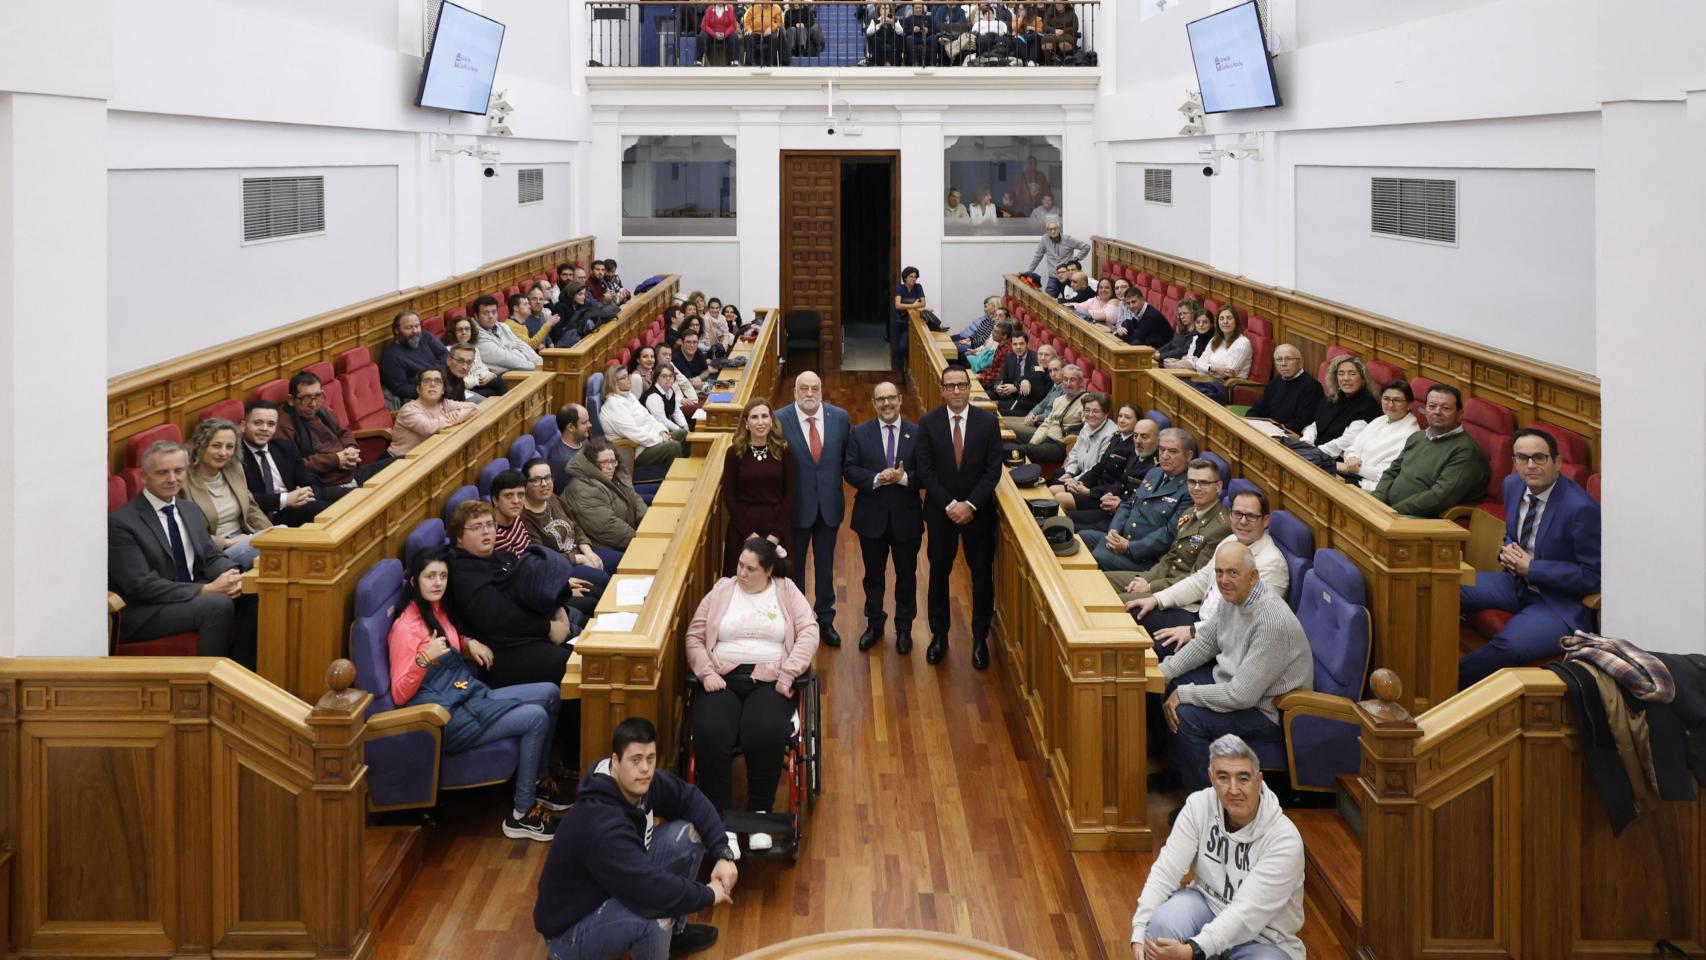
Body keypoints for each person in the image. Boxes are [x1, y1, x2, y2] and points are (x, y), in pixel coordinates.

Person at [387, 546, 568, 841]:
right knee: (535, 717)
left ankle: (538, 780)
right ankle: (522, 813)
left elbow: (449, 636)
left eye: (443, 576)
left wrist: (468, 642)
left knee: (549, 693)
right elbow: (398, 694)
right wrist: (423, 660)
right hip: (446, 716)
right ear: (414, 582)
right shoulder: (405, 629)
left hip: (466, 695)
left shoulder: (438, 610)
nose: (437, 583)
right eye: (430, 576)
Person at [534, 718, 733, 960]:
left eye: (650, 759)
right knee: (657, 913)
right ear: (615, 761)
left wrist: (723, 853)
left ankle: (674, 936)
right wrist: (708, 894)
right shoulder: (601, 824)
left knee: (689, 835)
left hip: (608, 890)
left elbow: (691, 798)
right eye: (635, 760)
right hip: (569, 936)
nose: (645, 769)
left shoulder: (641, 783)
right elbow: (650, 890)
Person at [1129, 734, 1307, 960]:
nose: (1233, 789)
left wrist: (1192, 951)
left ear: (1258, 780)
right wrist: (1139, 930)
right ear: (1211, 778)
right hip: (1206, 904)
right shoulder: (1198, 805)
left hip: (1263, 938)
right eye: (1224, 778)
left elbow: (1245, 914)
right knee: (1158, 930)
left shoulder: (1284, 840)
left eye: (1243, 778)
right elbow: (1166, 870)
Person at [1157, 540, 1314, 792]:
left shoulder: (1271, 622)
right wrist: (1163, 674)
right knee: (1168, 683)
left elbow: (1242, 695)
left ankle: (1208, 806)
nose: (1224, 580)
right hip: (1233, 684)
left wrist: (1185, 694)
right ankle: (1177, 773)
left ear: (1253, 577)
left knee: (1187, 717)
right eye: (1219, 572)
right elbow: (1205, 643)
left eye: (1232, 573)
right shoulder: (1232, 596)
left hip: (1266, 710)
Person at [685, 537, 818, 824]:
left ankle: (760, 810)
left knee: (764, 730)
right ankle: (718, 815)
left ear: (769, 570)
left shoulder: (786, 591)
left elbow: (808, 632)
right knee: (711, 731)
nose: (742, 574)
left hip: (771, 678)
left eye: (750, 569)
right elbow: (694, 636)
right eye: (740, 566)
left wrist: (788, 673)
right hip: (722, 677)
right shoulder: (723, 590)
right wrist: (706, 672)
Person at [1458, 428, 1602, 688]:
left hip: (1556, 601)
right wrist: (1507, 551)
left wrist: (1532, 568)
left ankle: (1447, 687)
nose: (1530, 465)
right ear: (1513, 462)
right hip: (1515, 584)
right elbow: (1513, 535)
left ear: (1557, 462)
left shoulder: (1581, 509)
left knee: (1509, 645)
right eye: (1522, 458)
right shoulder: (1512, 485)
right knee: (1444, 587)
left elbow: (1592, 577)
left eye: (1539, 458)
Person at [108, 441, 250, 662]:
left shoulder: (189, 509)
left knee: (255, 594)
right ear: (144, 477)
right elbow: (140, 586)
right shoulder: (122, 523)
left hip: (190, 591)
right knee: (217, 604)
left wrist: (232, 576)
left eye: (178, 471)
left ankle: (247, 671)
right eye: (162, 472)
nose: (172, 479)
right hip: (144, 610)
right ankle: (210, 683)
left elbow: (210, 556)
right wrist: (204, 590)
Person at [913, 365, 1004, 669]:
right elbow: (925, 470)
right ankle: (939, 635)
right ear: (941, 389)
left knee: (981, 577)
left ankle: (980, 638)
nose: (955, 391)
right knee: (939, 574)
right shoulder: (928, 422)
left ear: (969, 388)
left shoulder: (988, 423)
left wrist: (971, 505)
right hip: (941, 514)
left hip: (978, 515)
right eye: (949, 386)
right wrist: (951, 504)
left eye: (961, 386)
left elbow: (993, 470)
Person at [1129, 489, 1291, 643]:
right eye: (1237, 514)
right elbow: (1200, 581)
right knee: (1136, 614)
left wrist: (1193, 632)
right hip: (1199, 618)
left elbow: (1245, 621)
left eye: (1250, 516)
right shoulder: (1230, 541)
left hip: (1221, 641)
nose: (1242, 521)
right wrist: (1157, 599)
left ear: (1265, 520)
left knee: (1153, 648)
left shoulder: (1272, 564)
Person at [446, 500, 576, 690]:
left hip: (527, 635)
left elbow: (533, 587)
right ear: (459, 537)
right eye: (476, 527)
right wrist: (549, 627)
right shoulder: (461, 573)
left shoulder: (497, 557)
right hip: (502, 652)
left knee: (585, 647)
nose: (486, 531)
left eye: (490, 525)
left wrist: (558, 609)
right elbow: (501, 618)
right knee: (572, 666)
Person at [841, 381, 923, 653]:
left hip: (906, 519)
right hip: (871, 519)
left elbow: (927, 473)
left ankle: (904, 629)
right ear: (874, 402)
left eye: (891, 398)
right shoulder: (860, 433)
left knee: (907, 576)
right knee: (873, 576)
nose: (887, 404)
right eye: (881, 400)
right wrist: (876, 478)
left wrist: (904, 478)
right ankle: (875, 624)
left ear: (900, 400)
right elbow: (850, 469)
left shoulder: (917, 433)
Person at [774, 372, 850, 646]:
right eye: (803, 388)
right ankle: (798, 620)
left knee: (826, 565)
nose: (809, 393)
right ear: (794, 391)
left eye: (814, 388)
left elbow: (845, 460)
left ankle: (825, 619)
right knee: (794, 570)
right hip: (796, 509)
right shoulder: (779, 419)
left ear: (821, 390)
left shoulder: (839, 418)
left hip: (829, 506)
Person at [1105, 459, 1229, 606]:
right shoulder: (1190, 512)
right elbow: (1170, 557)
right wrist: (1147, 579)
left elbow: (1195, 579)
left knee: (1115, 601)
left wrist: (1151, 587)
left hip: (1180, 595)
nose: (1196, 488)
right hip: (1162, 578)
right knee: (1102, 582)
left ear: (1218, 487)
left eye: (1204, 483)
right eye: (1192, 482)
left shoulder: (1221, 527)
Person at [490, 469, 602, 615]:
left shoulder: (516, 518)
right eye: (509, 496)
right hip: (529, 595)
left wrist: (561, 581)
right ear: (495, 500)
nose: (516, 501)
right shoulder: (494, 534)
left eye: (521, 495)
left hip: (540, 580)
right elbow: (519, 577)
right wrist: (560, 589)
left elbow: (531, 559)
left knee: (596, 591)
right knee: (591, 603)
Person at [1084, 427, 1195, 571]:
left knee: (1098, 556)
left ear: (1189, 456)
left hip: (1144, 557)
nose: (1165, 456)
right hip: (1122, 540)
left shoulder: (1190, 490)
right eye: (1162, 450)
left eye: (1173, 451)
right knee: (1082, 537)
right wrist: (1114, 530)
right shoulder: (1154, 473)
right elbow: (1128, 504)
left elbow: (1169, 534)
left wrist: (1129, 547)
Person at [1372, 384, 1490, 518]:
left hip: (1421, 518)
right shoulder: (1417, 437)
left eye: (1446, 408)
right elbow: (1391, 471)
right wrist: (1377, 500)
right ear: (1425, 409)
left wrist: (1391, 511)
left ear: (1460, 414)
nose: (1437, 412)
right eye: (1432, 406)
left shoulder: (1466, 452)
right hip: (1388, 509)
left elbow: (1440, 497)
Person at [182, 417, 272, 571]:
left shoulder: (234, 468)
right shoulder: (183, 482)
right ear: (200, 446)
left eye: (230, 447)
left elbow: (251, 509)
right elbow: (185, 533)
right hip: (216, 552)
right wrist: (228, 542)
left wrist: (274, 534)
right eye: (216, 446)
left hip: (245, 538)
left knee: (285, 543)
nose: (223, 453)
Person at [719, 399, 795, 575]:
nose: (760, 422)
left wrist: (774, 536)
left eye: (764, 416)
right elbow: (729, 496)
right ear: (746, 422)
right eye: (754, 417)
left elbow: (790, 494)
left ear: (771, 420)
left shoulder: (784, 451)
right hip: (743, 530)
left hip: (777, 528)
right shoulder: (734, 453)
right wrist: (750, 535)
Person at [277, 370, 383, 495]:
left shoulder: (323, 412)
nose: (313, 404)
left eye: (317, 396)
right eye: (305, 399)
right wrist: (336, 460)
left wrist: (350, 449)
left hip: (352, 473)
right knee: (371, 496)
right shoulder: (285, 425)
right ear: (291, 400)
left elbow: (344, 433)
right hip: (325, 486)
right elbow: (295, 464)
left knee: (400, 465)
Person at [520, 457, 621, 577]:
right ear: (525, 484)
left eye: (548, 478)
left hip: (580, 551)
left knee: (620, 560)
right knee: (602, 578)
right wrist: (580, 559)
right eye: (537, 480)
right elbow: (543, 557)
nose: (544, 484)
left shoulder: (552, 498)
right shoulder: (524, 517)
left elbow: (575, 526)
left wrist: (588, 552)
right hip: (561, 566)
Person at [239, 399, 325, 527]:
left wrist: (306, 493)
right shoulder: (236, 457)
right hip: (264, 518)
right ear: (243, 426)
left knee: (345, 500)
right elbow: (245, 499)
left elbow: (307, 479)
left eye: (271, 424)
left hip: (296, 507)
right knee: (321, 511)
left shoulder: (285, 447)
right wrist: (285, 500)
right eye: (257, 423)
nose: (264, 429)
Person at [1068, 415, 1162, 531]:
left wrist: (1119, 505)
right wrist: (1110, 494)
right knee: (1068, 519)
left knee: (1075, 529)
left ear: (1158, 440)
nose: (1138, 441)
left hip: (1126, 520)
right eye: (1135, 436)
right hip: (1111, 509)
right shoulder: (1137, 455)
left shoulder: (1157, 467)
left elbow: (1145, 506)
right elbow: (1121, 481)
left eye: (1144, 437)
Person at [1328, 379, 1421, 490]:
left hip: (1369, 486)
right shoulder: (1381, 419)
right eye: (1386, 399)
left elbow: (1387, 474)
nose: (1390, 405)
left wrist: (1353, 468)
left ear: (1409, 404)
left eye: (1397, 400)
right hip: (1350, 474)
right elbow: (1353, 446)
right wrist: (1352, 457)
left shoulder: (1411, 434)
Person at [565, 439, 649, 553]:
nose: (610, 467)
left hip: (626, 532)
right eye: (604, 462)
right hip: (602, 546)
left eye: (613, 461)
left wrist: (647, 523)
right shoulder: (583, 489)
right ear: (592, 464)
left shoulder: (615, 474)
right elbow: (607, 527)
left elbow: (633, 496)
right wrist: (642, 542)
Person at [599, 364, 685, 473]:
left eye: (628, 376)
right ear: (613, 382)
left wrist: (662, 432)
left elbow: (649, 418)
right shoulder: (613, 405)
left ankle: (685, 472)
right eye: (623, 378)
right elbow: (634, 433)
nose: (629, 379)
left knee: (682, 433)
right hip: (637, 451)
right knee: (674, 447)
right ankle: (677, 480)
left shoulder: (629, 396)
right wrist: (660, 440)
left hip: (651, 440)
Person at [1052, 404, 1137, 512]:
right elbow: (1099, 467)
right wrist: (1081, 482)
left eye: (1127, 417)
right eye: (1120, 416)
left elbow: (1120, 482)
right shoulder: (1116, 437)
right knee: (1053, 489)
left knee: (1061, 498)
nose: (1122, 420)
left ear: (1137, 422)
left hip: (1103, 495)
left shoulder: (1134, 447)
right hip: (1093, 485)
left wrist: (1090, 492)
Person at [1294, 355, 1382, 451]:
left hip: (1338, 459)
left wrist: (1315, 451)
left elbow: (1347, 441)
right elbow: (1315, 425)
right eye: (1341, 373)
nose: (1346, 378)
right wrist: (1307, 440)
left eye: (1352, 374)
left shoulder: (1368, 406)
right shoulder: (1329, 400)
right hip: (1316, 452)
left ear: (1362, 378)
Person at [388, 367, 477, 457]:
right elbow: (428, 428)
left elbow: (473, 407)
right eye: (427, 381)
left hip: (424, 456)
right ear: (418, 389)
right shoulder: (409, 409)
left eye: (438, 381)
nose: (433, 384)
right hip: (399, 460)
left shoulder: (444, 403)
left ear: (443, 390)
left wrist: (456, 415)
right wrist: (456, 417)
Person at [1009, 362, 1086, 466]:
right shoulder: (1059, 400)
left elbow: (1087, 432)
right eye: (1065, 379)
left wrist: (1072, 457)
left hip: (1060, 445)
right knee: (1010, 435)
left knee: (1021, 450)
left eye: (1072, 380)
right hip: (1047, 438)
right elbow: (1046, 424)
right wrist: (1033, 443)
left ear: (1081, 382)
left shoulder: (1086, 403)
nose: (1068, 383)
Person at [1244, 344, 1320, 434]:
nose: (1283, 364)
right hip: (1270, 430)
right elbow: (1259, 408)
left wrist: (1276, 430)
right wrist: (1247, 421)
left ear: (1300, 363)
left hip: (1289, 435)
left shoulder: (1312, 387)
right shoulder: (1276, 381)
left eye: (1288, 359)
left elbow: (1302, 422)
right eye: (1279, 360)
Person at [379, 310, 449, 404]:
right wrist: (428, 389)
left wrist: (434, 377)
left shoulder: (425, 336)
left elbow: (445, 355)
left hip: (442, 386)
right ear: (397, 331)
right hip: (419, 399)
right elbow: (400, 388)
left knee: (472, 403)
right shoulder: (391, 357)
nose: (415, 331)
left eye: (417, 326)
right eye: (409, 327)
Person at [1189, 306, 1253, 402]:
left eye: (1229, 318)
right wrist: (1214, 368)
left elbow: (1229, 373)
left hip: (1226, 388)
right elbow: (1198, 363)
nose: (1225, 321)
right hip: (1207, 381)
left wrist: (1206, 367)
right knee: (1181, 386)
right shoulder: (1215, 340)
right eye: (1221, 318)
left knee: (1191, 394)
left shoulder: (1243, 342)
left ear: (1236, 321)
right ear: (1218, 323)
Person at [473, 294, 543, 376]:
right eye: (486, 313)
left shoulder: (502, 326)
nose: (491, 316)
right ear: (476, 316)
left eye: (494, 312)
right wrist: (534, 366)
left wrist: (539, 362)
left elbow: (521, 345)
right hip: (506, 376)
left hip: (524, 369)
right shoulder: (476, 335)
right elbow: (505, 359)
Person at [1054, 391, 1117, 479]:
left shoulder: (1111, 435)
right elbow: (1075, 452)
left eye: (1096, 411)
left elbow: (1098, 468)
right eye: (1087, 410)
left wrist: (1074, 480)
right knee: (1057, 475)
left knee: (1056, 486)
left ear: (1106, 413)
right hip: (1080, 470)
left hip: (1093, 478)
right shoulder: (1087, 425)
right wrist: (1070, 473)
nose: (1090, 415)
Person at [1003, 352, 1063, 433]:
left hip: (1044, 426)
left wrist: (1036, 417)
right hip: (1034, 418)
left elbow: (1053, 414)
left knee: (1002, 424)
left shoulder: (1064, 388)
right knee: (999, 421)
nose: (1053, 374)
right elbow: (1041, 404)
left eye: (1056, 370)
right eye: (1050, 371)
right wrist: (1032, 414)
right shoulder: (1055, 385)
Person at [993, 330, 1045, 418]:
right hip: (1008, 396)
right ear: (1011, 345)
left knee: (993, 411)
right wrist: (998, 387)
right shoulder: (1010, 356)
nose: (1018, 347)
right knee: (984, 399)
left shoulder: (1035, 359)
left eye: (1021, 344)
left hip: (1025, 401)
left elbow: (1034, 380)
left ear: (1027, 344)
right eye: (1015, 344)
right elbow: (1001, 377)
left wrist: (1016, 387)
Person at [446, 316, 502, 396]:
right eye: (460, 330)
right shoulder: (449, 351)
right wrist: (477, 381)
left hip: (478, 383)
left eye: (467, 329)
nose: (464, 332)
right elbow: (455, 380)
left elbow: (480, 367)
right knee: (490, 392)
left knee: (499, 381)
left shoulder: (473, 348)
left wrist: (489, 374)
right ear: (453, 333)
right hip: (465, 389)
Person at [1026, 217, 1091, 278]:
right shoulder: (1044, 239)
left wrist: (1076, 259)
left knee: (1067, 290)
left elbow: (1086, 247)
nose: (1053, 231)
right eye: (1050, 229)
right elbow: (1038, 256)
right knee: (1049, 290)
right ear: (1047, 231)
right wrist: (1029, 272)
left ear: (1059, 229)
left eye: (1055, 228)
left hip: (1066, 275)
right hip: (1053, 276)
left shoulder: (1067, 239)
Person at [549, 403, 592, 490]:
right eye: (584, 423)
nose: (590, 425)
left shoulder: (583, 440)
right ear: (571, 427)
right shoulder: (563, 461)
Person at [641, 362, 692, 435]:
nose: (668, 378)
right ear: (657, 378)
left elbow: (676, 411)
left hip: (664, 428)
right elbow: (662, 420)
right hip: (653, 432)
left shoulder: (670, 390)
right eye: (664, 376)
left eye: (670, 375)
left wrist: (685, 426)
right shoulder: (654, 396)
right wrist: (681, 430)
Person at [893, 266, 927, 370]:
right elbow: (897, 305)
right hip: (900, 321)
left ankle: (908, 370)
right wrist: (914, 304)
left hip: (913, 321)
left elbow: (923, 303)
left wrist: (907, 304)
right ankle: (899, 372)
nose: (913, 279)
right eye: (911, 276)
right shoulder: (900, 288)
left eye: (915, 277)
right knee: (899, 348)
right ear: (905, 278)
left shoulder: (918, 287)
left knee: (906, 347)